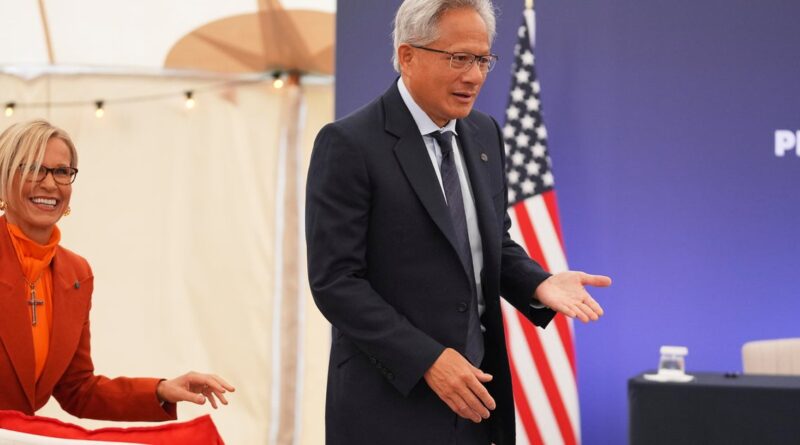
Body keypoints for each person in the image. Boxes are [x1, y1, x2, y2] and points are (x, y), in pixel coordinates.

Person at [305, 0, 612, 444]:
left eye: (483, 60)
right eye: (459, 58)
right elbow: (336, 282)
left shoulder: (484, 133)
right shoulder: (349, 144)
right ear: (408, 56)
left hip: (477, 400)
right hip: (389, 405)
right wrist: (428, 359)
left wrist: (538, 283)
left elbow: (490, 242)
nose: (474, 76)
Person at [0, 119, 234, 421]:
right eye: (33, 169)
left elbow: (77, 389)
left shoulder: (76, 273)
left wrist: (161, 390)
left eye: (62, 172)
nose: (49, 183)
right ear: (4, 176)